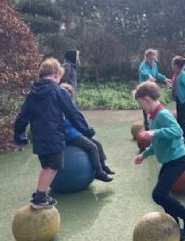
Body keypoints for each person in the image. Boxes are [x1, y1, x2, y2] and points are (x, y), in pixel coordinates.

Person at [14, 58, 95, 209]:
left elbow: (23, 116)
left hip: (38, 137)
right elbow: (73, 113)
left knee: (46, 166)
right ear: (56, 74)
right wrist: (86, 130)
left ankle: (40, 193)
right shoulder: (58, 91)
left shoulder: (32, 93)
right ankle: (40, 198)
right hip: (54, 136)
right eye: (60, 77)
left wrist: (19, 134)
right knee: (53, 166)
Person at [134, 81, 185, 241]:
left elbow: (177, 131)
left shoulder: (162, 114)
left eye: (141, 104)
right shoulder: (154, 116)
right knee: (164, 195)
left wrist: (154, 132)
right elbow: (157, 142)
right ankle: (175, 229)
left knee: (158, 194)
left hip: (178, 160)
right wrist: (145, 154)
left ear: (147, 100)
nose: (142, 108)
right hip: (170, 161)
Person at [60, 83, 114, 182]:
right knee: (92, 147)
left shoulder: (70, 107)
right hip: (69, 136)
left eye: (69, 95)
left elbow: (78, 121)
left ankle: (103, 166)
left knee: (97, 143)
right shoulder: (58, 108)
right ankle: (99, 172)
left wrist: (87, 130)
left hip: (75, 133)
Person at [138, 49, 171, 130]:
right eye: (150, 59)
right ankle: (146, 124)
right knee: (146, 105)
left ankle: (154, 121)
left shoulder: (154, 65)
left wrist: (164, 79)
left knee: (154, 103)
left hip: (152, 87)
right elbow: (143, 71)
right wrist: (149, 75)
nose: (152, 61)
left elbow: (156, 74)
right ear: (146, 57)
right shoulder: (143, 65)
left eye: (153, 59)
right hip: (144, 88)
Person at [171, 56, 185, 144]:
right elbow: (177, 85)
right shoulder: (176, 74)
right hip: (179, 99)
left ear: (177, 66)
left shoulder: (183, 75)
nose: (172, 66)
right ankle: (180, 134)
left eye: (173, 64)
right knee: (179, 117)